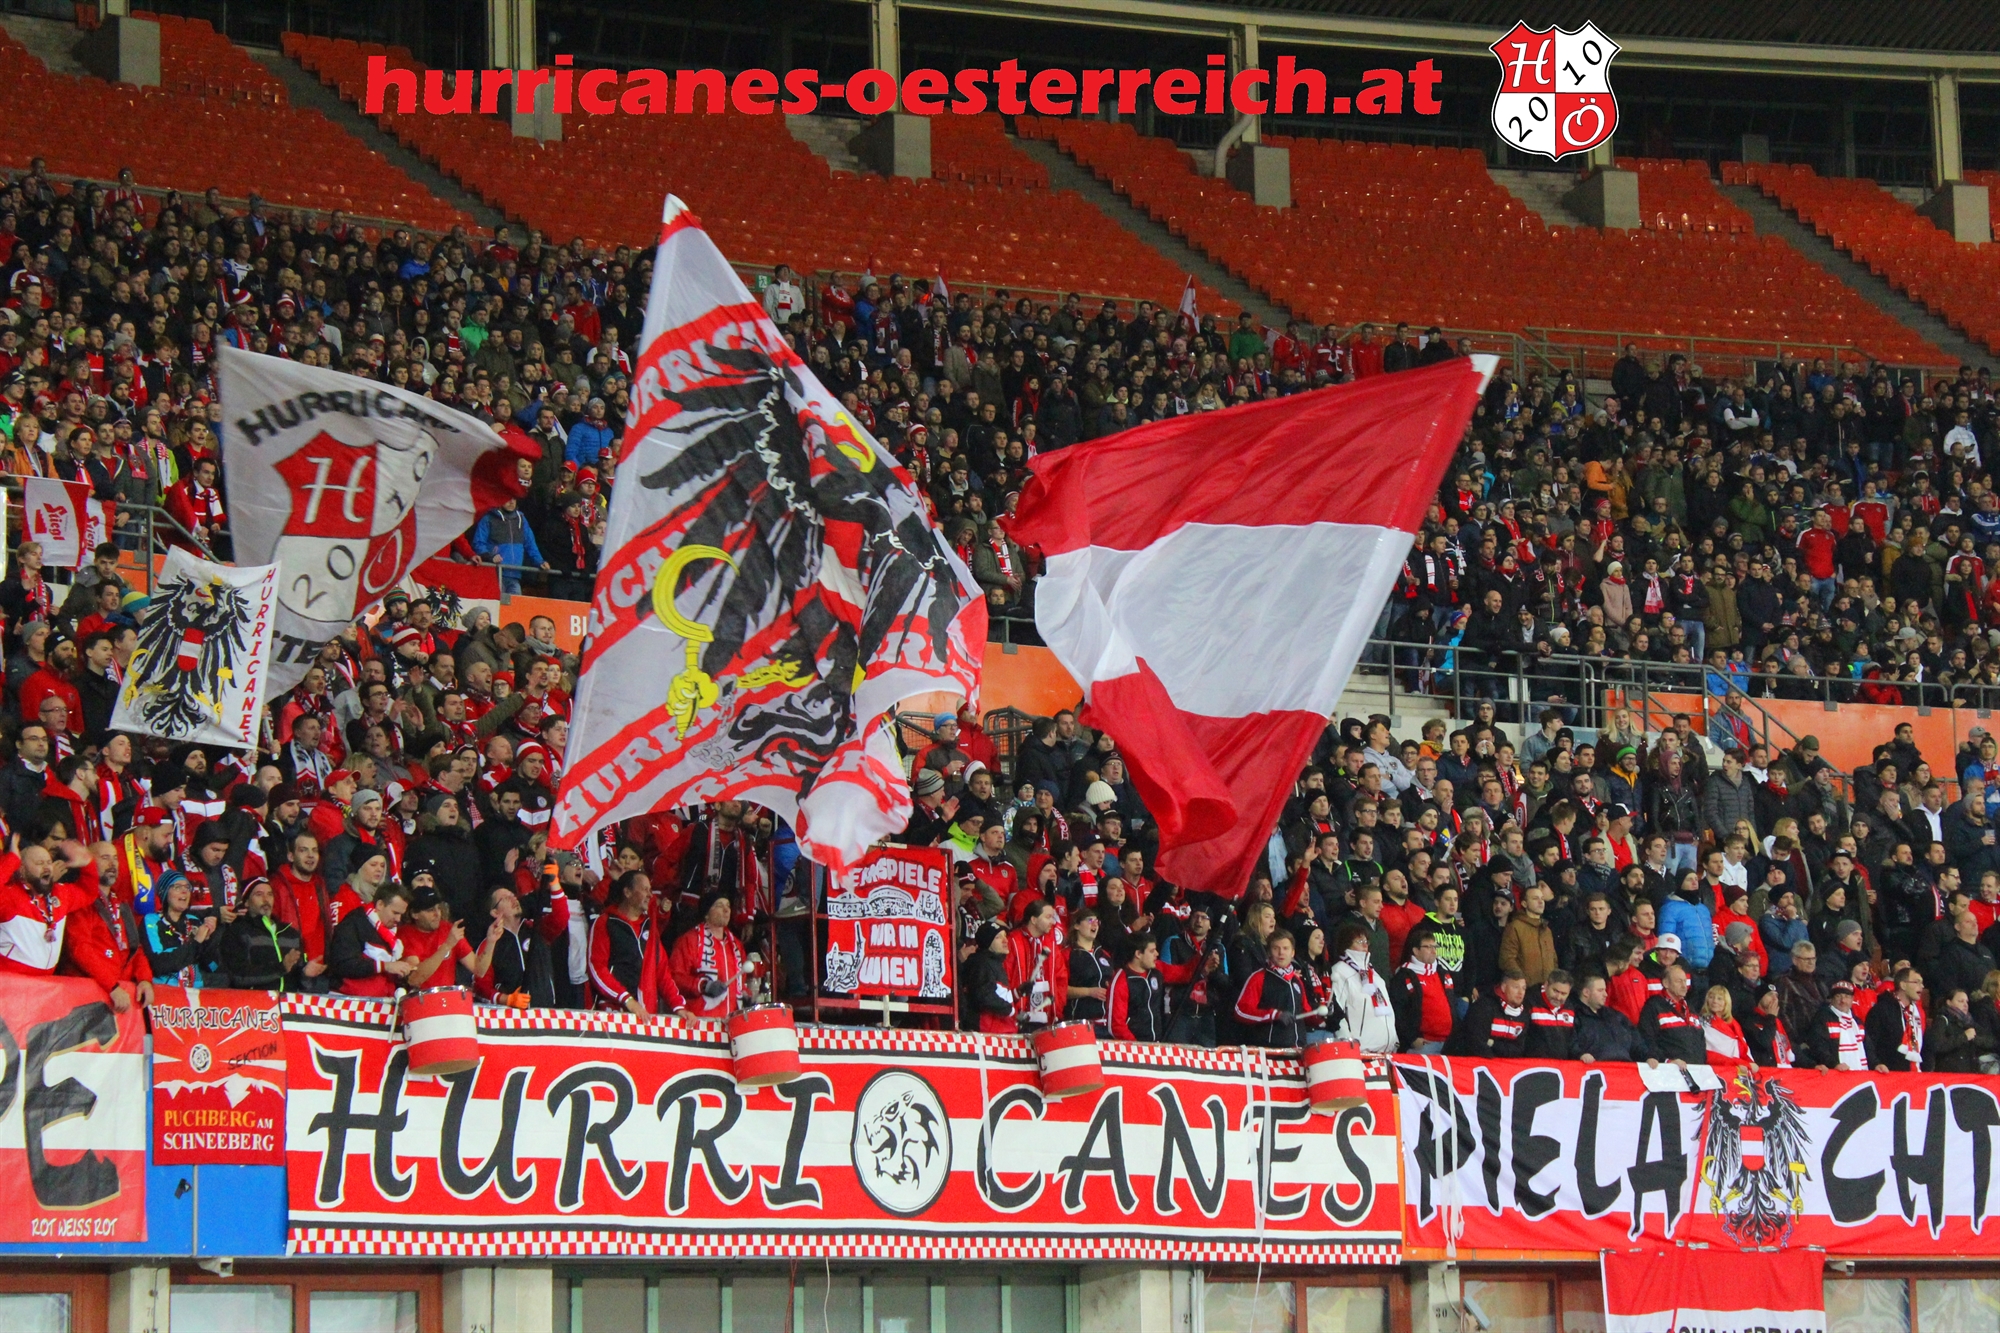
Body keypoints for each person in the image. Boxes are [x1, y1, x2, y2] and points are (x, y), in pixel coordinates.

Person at [589, 871, 689, 1017]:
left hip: (645, 1015)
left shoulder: (650, 928)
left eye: (650, 890)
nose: (650, 895)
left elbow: (662, 973)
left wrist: (679, 1007)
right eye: (644, 889)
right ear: (627, 892)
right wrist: (627, 1000)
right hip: (612, 1012)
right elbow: (596, 968)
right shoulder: (605, 922)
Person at [669, 890, 750, 1020]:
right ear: (706, 914)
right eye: (719, 905)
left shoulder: (736, 945)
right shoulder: (690, 940)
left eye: (728, 906)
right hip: (699, 1022)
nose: (726, 910)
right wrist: (703, 985)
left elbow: (741, 981)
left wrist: (746, 994)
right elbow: (675, 978)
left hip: (732, 1023)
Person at [327, 881, 416, 998]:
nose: (398, 919)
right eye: (395, 913)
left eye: (401, 915)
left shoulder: (391, 933)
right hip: (348, 1002)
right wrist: (385, 966)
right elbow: (343, 964)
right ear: (380, 905)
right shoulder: (353, 923)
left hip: (379, 1001)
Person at [220, 877, 306, 992]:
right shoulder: (237, 932)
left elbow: (300, 979)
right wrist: (280, 968)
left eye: (270, 894)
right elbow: (239, 976)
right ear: (246, 902)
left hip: (287, 1002)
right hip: (254, 1002)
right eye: (259, 894)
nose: (266, 899)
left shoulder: (290, 933)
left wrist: (307, 974)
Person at [1325, 921, 1398, 1053]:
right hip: (1360, 1052)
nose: (1365, 945)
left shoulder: (1374, 974)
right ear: (1346, 944)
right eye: (1359, 941)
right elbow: (1337, 1013)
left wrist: (1394, 1039)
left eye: (1366, 941)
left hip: (1385, 1052)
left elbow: (1388, 1011)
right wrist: (1348, 1045)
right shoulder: (1339, 972)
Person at [1234, 928, 1314, 1047]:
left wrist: (1320, 1016)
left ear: (1292, 953)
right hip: (1269, 1050)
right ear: (1269, 952)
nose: (1281, 953)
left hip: (1297, 1049)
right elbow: (1240, 1012)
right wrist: (1273, 1015)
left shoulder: (1297, 981)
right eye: (1276, 948)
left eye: (1285, 948)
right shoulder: (1259, 978)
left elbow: (1306, 1012)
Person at [1391, 929, 1457, 1054]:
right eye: (1428, 947)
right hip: (1423, 1045)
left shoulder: (1443, 974)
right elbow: (1398, 1012)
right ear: (1416, 951)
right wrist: (1412, 1039)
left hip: (1448, 1045)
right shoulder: (1404, 976)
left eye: (1435, 947)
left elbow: (1452, 1006)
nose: (1433, 951)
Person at [1106, 932, 1174, 1041]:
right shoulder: (1121, 980)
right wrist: (1136, 1046)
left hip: (1157, 1042)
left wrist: (1201, 958)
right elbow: (1116, 1025)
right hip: (1134, 1046)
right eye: (1152, 951)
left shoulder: (1156, 970)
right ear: (1138, 954)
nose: (1157, 954)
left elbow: (1184, 973)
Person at [1639, 960, 1704, 1065]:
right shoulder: (1653, 1006)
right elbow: (1647, 1039)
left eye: (1685, 981)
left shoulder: (1690, 1009)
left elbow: (1700, 1041)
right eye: (1679, 981)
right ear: (1666, 983)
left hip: (1696, 1070)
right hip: (1667, 1070)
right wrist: (1666, 1061)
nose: (1684, 986)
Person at [1572, 972, 1647, 1063]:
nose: (1606, 994)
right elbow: (1570, 1043)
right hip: (1593, 1068)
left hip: (1624, 1067)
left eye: (1605, 990)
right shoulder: (1574, 1017)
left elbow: (1636, 1041)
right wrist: (1580, 1054)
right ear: (1586, 992)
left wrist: (1648, 1056)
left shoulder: (1616, 1016)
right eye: (1600, 990)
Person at [1864, 964, 1927, 1072]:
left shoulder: (1916, 1012)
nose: (1922, 986)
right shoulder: (1881, 1010)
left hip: (1913, 1074)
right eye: (1916, 982)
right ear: (1903, 985)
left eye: (1921, 982)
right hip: (1887, 1074)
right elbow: (1869, 1043)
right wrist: (1875, 1064)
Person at [1452, 971, 1531, 1058]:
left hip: (1499, 1063)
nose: (1520, 992)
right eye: (1516, 987)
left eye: (1524, 988)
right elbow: (1476, 1044)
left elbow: (1518, 1050)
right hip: (1465, 1061)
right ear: (1503, 987)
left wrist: (1493, 1043)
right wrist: (1496, 1062)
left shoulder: (1524, 1014)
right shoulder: (1484, 1007)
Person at [961, 921, 1017, 1035]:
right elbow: (983, 995)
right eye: (998, 937)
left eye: (1005, 936)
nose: (1005, 941)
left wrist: (1017, 993)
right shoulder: (981, 963)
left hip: (997, 1031)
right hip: (985, 1034)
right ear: (987, 942)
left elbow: (996, 993)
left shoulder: (994, 963)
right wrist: (1008, 1009)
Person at [1807, 980, 1873, 1071]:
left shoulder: (1857, 1022)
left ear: (1852, 999)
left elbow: (1868, 1048)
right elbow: (1818, 1047)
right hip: (1834, 1074)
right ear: (1831, 999)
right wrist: (1834, 1064)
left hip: (1860, 1074)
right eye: (1838, 996)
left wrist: (1876, 1064)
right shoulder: (1822, 1018)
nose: (1843, 1001)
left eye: (1847, 996)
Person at [1927, 987, 1995, 1074]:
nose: (1965, 1004)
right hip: (1949, 1073)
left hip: (1970, 1072)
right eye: (1960, 1001)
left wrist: (1975, 1039)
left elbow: (1991, 1041)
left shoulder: (1970, 1022)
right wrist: (1964, 1037)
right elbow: (1937, 1046)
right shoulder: (1942, 1020)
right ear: (1949, 1002)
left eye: (1966, 1002)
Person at [1524, 970, 1576, 1060]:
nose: (1558, 997)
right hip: (1534, 1064)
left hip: (1560, 1064)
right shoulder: (1530, 1002)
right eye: (1555, 991)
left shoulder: (1569, 1007)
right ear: (1546, 985)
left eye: (1564, 994)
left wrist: (1580, 1054)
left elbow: (1571, 1039)